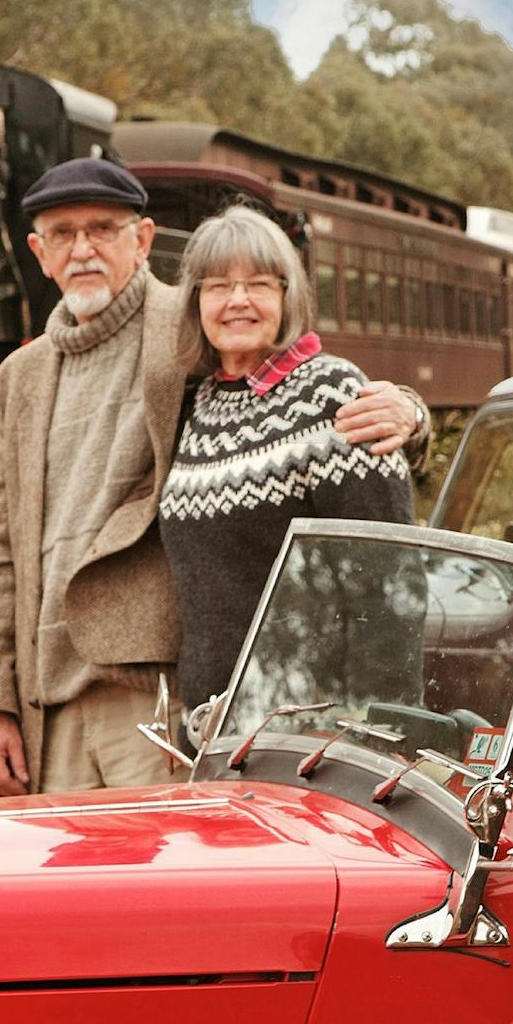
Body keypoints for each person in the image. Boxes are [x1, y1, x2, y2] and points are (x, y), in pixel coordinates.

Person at [0, 158, 428, 797]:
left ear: (144, 240)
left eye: (102, 229)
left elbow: (312, 388)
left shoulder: (185, 325)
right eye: (64, 235)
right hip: (49, 696)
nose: (84, 249)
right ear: (39, 253)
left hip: (150, 691)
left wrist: (410, 411)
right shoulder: (16, 379)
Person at [157, 205, 414, 713]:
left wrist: (376, 723)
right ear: (195, 303)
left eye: (257, 284)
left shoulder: (332, 394)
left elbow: (386, 583)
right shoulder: (199, 403)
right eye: (217, 286)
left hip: (307, 722)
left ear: (286, 294)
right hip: (211, 719)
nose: (237, 301)